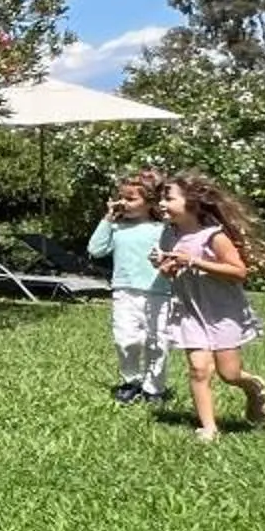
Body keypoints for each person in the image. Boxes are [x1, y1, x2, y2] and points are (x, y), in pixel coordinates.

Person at [155, 176, 265, 441]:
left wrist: (195, 261)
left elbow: (238, 272)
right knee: (198, 369)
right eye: (161, 198)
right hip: (190, 311)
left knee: (229, 373)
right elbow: (171, 273)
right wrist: (166, 268)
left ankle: (254, 388)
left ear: (193, 203)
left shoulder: (214, 237)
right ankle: (208, 427)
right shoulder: (170, 234)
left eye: (169, 198)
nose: (162, 204)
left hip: (221, 312)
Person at [87, 173, 170, 405]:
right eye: (121, 198)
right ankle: (131, 381)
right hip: (124, 291)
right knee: (126, 340)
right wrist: (107, 219)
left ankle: (154, 388)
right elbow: (96, 249)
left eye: (131, 199)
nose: (123, 203)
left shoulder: (163, 228)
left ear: (151, 202)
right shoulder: (117, 227)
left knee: (158, 342)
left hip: (160, 292)